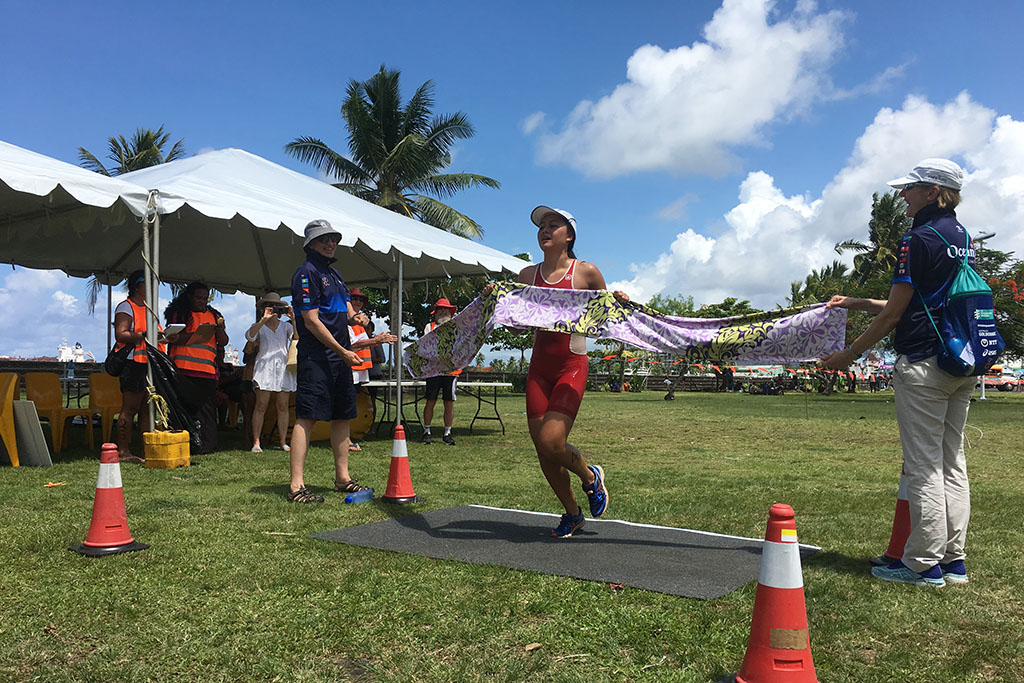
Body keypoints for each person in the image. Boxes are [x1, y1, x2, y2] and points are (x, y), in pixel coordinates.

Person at [823, 159, 976, 588]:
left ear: (933, 192)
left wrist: (849, 353)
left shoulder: (917, 239)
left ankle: (921, 564)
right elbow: (920, 300)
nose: (902, 195)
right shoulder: (960, 237)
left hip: (924, 363)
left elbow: (894, 315)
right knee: (951, 463)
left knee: (924, 465)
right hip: (959, 360)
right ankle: (953, 560)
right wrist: (858, 301)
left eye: (909, 188)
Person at [486, 206, 628, 538]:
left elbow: (605, 319)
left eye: (554, 225)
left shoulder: (586, 272)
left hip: (571, 365)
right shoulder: (526, 275)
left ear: (569, 235)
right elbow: (520, 328)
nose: (545, 230)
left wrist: (618, 300)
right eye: (542, 226)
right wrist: (495, 302)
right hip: (539, 368)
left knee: (552, 441)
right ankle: (572, 513)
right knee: (543, 449)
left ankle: (590, 477)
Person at [287, 219, 396, 503]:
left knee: (343, 415)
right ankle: (296, 486)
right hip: (316, 357)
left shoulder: (335, 275)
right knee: (307, 416)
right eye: (324, 239)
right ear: (310, 243)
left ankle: (342, 478)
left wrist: (360, 318)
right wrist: (343, 350)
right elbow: (311, 322)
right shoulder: (305, 273)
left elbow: (349, 314)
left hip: (340, 359)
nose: (330, 242)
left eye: (333, 238)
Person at [164, 282, 228, 454]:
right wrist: (196, 336)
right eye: (198, 298)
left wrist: (219, 329)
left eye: (205, 299)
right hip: (182, 370)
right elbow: (172, 337)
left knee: (207, 411)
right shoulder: (179, 314)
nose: (202, 302)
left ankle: (208, 445)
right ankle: (183, 443)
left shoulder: (215, 315)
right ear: (189, 297)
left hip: (207, 371)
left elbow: (223, 341)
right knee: (183, 408)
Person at [111, 270, 165, 463]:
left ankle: (144, 449)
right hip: (133, 363)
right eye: (149, 284)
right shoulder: (126, 306)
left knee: (146, 408)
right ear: (138, 286)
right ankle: (123, 450)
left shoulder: (150, 308)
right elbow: (121, 334)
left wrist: (165, 336)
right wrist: (145, 334)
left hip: (149, 361)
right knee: (130, 407)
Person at [245, 292, 296, 453]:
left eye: (276, 306)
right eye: (270, 306)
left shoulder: (286, 326)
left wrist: (294, 319)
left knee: (283, 405)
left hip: (282, 367)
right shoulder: (259, 325)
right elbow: (250, 336)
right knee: (261, 405)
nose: (273, 309)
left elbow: (297, 338)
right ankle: (256, 441)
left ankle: (282, 441)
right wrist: (263, 320)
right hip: (264, 367)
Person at [421, 298, 461, 446]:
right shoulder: (429, 327)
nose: (443, 311)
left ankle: (447, 432)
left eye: (446, 309)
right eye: (440, 309)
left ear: (450, 312)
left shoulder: (455, 327)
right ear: (435, 312)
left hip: (450, 371)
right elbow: (425, 346)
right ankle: (427, 431)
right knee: (430, 401)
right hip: (433, 371)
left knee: (449, 403)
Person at [346, 287, 373, 452]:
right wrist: (376, 340)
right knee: (348, 403)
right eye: (354, 298)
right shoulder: (347, 320)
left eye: (360, 299)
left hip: (358, 369)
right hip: (350, 369)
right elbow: (353, 344)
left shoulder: (361, 323)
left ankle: (348, 436)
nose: (357, 301)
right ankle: (346, 439)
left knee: (353, 403)